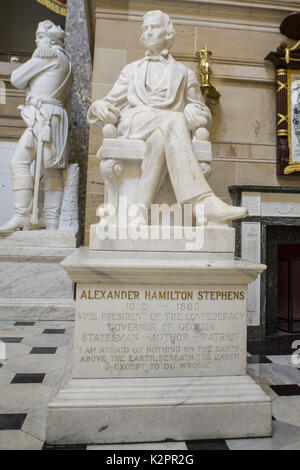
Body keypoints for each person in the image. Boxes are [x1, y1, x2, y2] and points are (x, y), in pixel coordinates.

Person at [88, 10, 247, 226]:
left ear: (168, 34)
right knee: (175, 120)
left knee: (162, 137)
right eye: (145, 28)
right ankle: (203, 202)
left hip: (166, 130)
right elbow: (109, 101)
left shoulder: (184, 73)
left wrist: (195, 113)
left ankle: (138, 207)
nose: (148, 32)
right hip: (136, 122)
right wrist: (99, 107)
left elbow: (202, 112)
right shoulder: (131, 70)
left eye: (154, 27)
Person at [0, 20, 72, 232]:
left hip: (44, 117)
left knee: (19, 161)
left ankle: (23, 215)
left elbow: (16, 78)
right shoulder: (66, 60)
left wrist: (37, 54)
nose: (37, 40)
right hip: (54, 115)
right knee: (51, 169)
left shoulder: (47, 54)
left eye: (40, 37)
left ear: (51, 40)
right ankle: (51, 222)